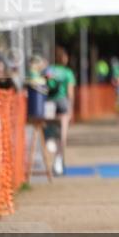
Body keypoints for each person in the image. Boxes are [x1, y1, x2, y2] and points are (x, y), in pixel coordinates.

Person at [45, 46, 76, 175]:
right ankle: (58, 161)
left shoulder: (48, 70)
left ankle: (50, 142)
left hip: (49, 103)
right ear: (63, 58)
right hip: (63, 103)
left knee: (49, 130)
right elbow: (70, 92)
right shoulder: (68, 73)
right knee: (62, 134)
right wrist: (71, 108)